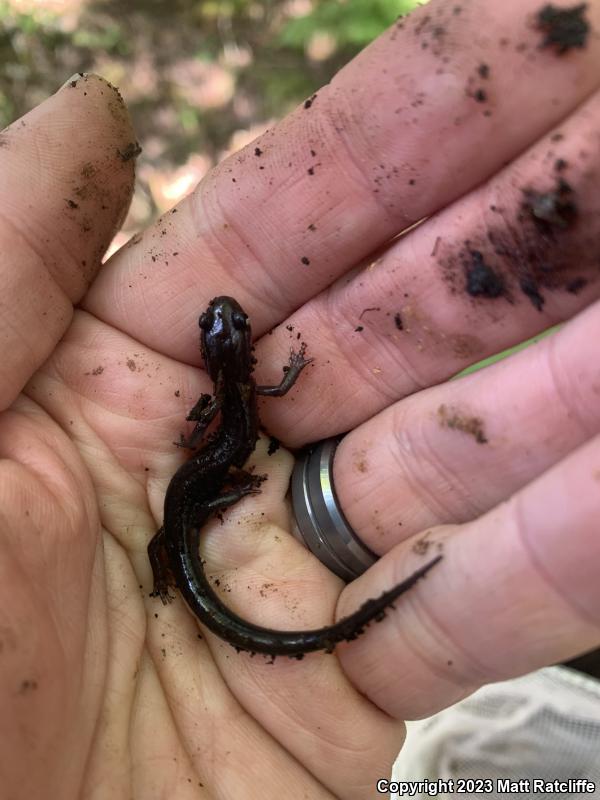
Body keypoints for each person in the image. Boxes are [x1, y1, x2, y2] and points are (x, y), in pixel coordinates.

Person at [1, 0, 599, 796]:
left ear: (227, 354)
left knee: (177, 538)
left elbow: (230, 421)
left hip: (199, 491)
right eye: (228, 325)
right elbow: (267, 392)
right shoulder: (244, 388)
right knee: (181, 530)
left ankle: (165, 576)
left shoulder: (229, 397)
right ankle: (171, 573)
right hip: (201, 489)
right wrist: (238, 451)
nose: (228, 322)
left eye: (227, 325)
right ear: (235, 352)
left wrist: (219, 473)